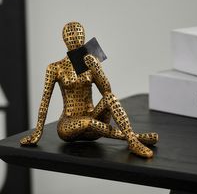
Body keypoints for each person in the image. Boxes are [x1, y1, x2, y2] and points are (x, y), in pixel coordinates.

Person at [20, 22, 158, 158]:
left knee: (110, 98)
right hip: (69, 125)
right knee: (86, 122)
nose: (75, 39)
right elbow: (45, 102)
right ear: (65, 39)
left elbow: (107, 91)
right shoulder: (55, 68)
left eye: (79, 35)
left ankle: (133, 141)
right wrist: (37, 133)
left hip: (94, 122)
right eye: (71, 36)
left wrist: (96, 67)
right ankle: (134, 138)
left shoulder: (89, 61)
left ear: (83, 37)